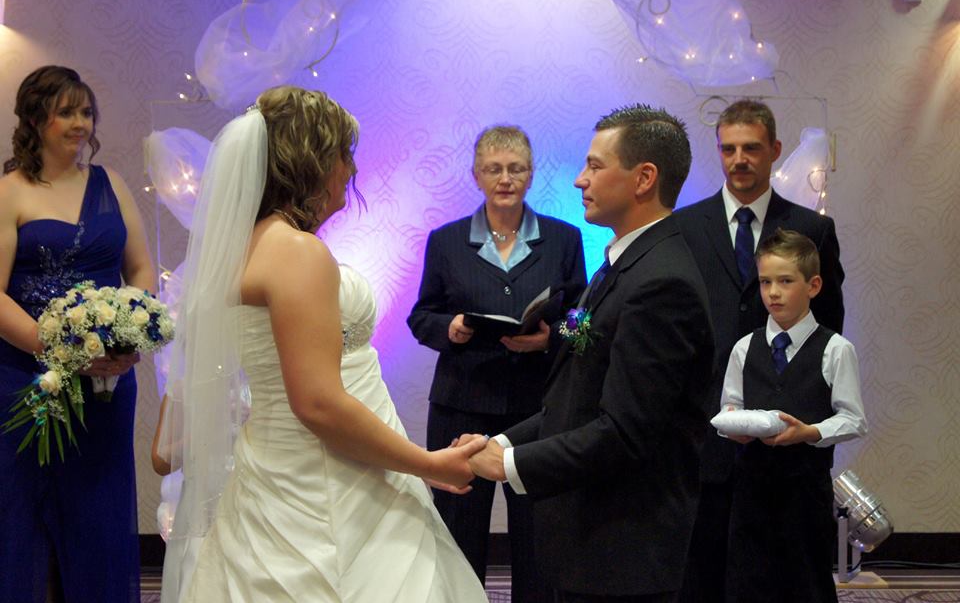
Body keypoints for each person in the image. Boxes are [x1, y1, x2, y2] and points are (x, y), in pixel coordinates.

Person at [156, 86, 488, 603]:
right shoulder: (295, 252)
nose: (351, 170)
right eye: (344, 154)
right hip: (332, 479)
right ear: (312, 160)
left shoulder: (243, 247)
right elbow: (317, 403)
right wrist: (429, 465)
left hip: (274, 471)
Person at [468, 104, 715, 602]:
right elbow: (575, 385)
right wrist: (499, 441)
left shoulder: (662, 283)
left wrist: (508, 464)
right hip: (587, 540)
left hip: (623, 548)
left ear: (644, 178)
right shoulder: (621, 264)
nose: (580, 179)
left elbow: (624, 432)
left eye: (595, 166)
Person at [673, 99, 845, 603]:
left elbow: (828, 328)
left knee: (792, 581)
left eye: (750, 148)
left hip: (788, 441)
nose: (739, 160)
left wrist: (809, 424)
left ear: (774, 149)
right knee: (703, 578)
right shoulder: (686, 226)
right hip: (707, 433)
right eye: (728, 149)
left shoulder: (812, 229)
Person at [407, 124, 586, 601]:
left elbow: (584, 320)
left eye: (515, 169)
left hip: (538, 408)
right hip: (461, 406)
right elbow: (421, 316)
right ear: (476, 175)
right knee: (458, 531)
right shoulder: (446, 241)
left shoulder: (564, 238)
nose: (505, 179)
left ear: (531, 174)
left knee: (536, 534)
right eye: (494, 169)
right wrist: (449, 328)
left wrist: (551, 339)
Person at [0, 65, 155, 603]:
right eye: (66, 112)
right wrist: (63, 351)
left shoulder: (112, 185)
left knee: (99, 512)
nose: (80, 123)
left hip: (107, 381)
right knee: (25, 513)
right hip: (26, 378)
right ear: (35, 119)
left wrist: (128, 335)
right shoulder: (11, 191)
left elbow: (140, 269)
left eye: (86, 112)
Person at [720, 228, 866, 603]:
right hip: (751, 489)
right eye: (765, 281)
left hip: (805, 492)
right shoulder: (744, 348)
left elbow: (853, 419)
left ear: (813, 286)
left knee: (806, 583)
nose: (773, 292)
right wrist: (733, 426)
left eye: (785, 281)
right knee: (747, 582)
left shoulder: (835, 349)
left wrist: (810, 432)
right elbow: (729, 406)